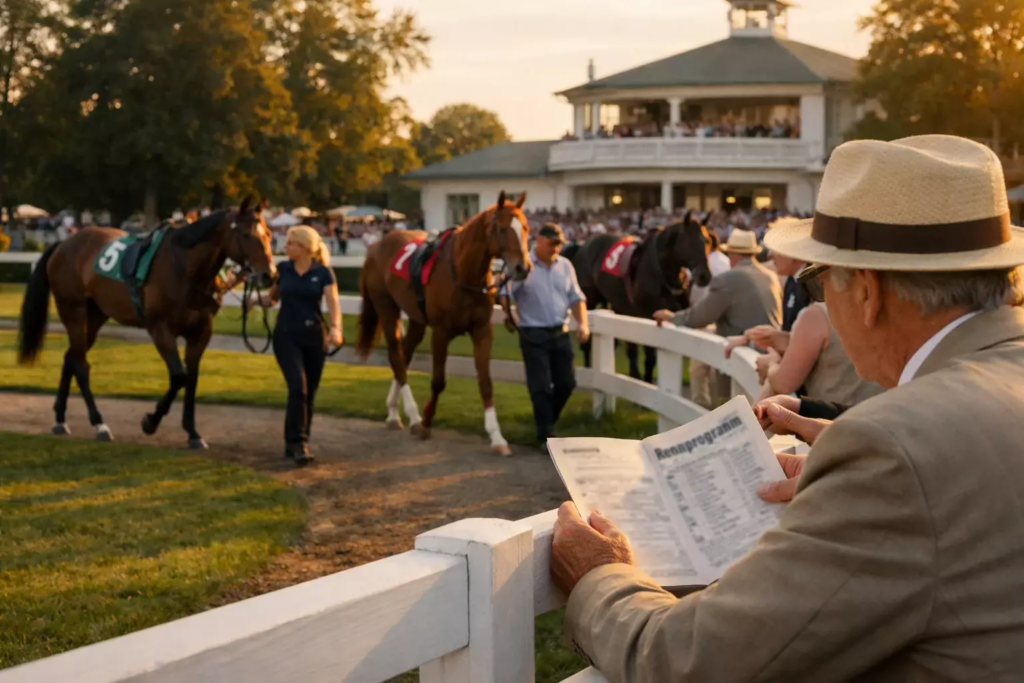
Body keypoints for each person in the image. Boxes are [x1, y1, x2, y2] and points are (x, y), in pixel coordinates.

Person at [551, 135, 1024, 680]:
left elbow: (694, 662)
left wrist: (598, 576)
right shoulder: (920, 440)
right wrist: (849, 485)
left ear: (867, 293)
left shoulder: (893, 450)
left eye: (820, 280)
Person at [654, 229, 782, 408]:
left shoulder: (729, 278)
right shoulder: (769, 275)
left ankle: (701, 408)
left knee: (699, 362)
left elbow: (700, 317)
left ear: (731, 254)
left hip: (744, 348)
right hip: (771, 350)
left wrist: (672, 317)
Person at [251, 225, 342, 465]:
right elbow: (272, 298)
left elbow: (333, 303)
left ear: (303, 247)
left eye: (290, 243)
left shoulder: (323, 273)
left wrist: (336, 328)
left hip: (314, 336)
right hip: (287, 335)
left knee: (308, 393)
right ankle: (298, 442)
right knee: (297, 387)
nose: (285, 247)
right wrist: (250, 300)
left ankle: (297, 442)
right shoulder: (283, 270)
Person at [500, 223, 590, 445]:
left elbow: (576, 297)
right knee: (539, 385)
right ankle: (545, 433)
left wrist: (583, 324)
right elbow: (506, 293)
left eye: (558, 245)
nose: (555, 249)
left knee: (566, 383)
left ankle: (545, 422)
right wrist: (510, 314)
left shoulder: (565, 266)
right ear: (538, 241)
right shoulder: (523, 265)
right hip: (533, 332)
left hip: (560, 332)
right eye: (551, 244)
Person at [753, 302, 884, 406]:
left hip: (832, 429)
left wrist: (771, 364)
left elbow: (784, 384)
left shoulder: (818, 315)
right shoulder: (886, 310)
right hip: (883, 426)